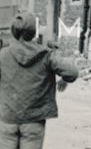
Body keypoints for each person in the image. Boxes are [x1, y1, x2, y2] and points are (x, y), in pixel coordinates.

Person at [0, 12, 79, 148]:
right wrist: (64, 80)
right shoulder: (46, 55)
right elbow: (72, 72)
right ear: (33, 32)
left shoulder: (3, 54)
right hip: (34, 121)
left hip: (7, 119)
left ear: (14, 31)